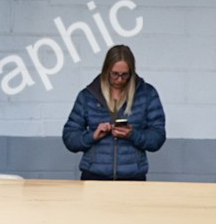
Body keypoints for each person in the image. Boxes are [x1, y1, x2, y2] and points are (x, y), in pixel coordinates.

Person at [62, 44, 166, 181]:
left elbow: (157, 138)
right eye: (114, 74)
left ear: (132, 72)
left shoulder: (147, 94)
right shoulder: (87, 96)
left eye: (125, 75)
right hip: (94, 177)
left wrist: (133, 134)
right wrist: (93, 136)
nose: (119, 79)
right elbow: (69, 138)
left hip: (133, 179)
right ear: (106, 70)